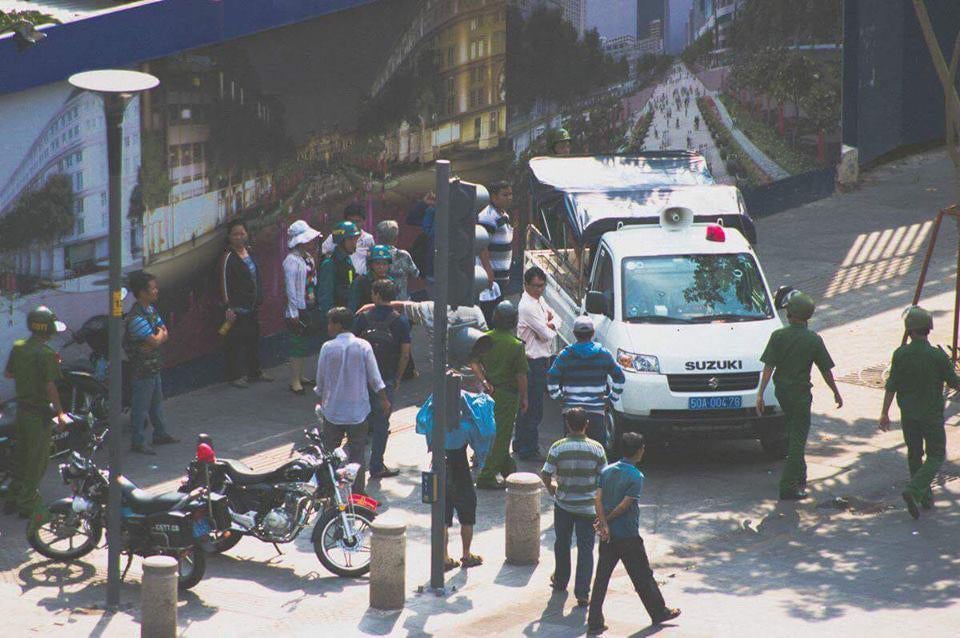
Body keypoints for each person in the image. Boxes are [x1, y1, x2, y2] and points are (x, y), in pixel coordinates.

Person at [588, 433, 680, 634]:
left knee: (602, 577)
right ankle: (658, 611)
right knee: (643, 576)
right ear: (639, 450)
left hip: (608, 536)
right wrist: (607, 521)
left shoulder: (606, 471)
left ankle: (594, 619)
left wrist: (602, 523)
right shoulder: (636, 476)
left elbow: (597, 499)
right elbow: (624, 506)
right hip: (628, 535)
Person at [757, 291, 843, 500]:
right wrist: (835, 392)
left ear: (791, 314)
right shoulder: (813, 340)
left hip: (782, 392)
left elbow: (769, 366)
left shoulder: (778, 336)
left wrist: (760, 393)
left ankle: (801, 475)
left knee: (794, 432)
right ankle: (788, 486)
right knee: (797, 439)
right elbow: (826, 371)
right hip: (801, 394)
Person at [880, 306, 960, 518]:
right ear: (929, 329)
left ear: (909, 330)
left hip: (908, 415)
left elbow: (891, 386)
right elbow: (955, 382)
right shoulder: (937, 356)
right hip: (931, 415)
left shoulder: (900, 354)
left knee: (914, 454)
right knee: (936, 454)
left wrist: (884, 413)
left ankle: (924, 497)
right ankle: (915, 490)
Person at [315, 306, 390, 494]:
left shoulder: (327, 347)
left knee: (329, 454)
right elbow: (375, 378)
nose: (328, 326)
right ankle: (358, 493)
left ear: (338, 325)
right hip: (358, 410)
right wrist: (384, 400)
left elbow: (321, 380)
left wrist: (321, 400)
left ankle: (328, 491)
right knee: (357, 455)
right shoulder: (363, 346)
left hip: (333, 411)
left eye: (330, 322)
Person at [3, 307, 67, 518]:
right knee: (38, 461)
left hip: (20, 411)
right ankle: (27, 502)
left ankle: (14, 495)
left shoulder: (19, 347)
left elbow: (9, 373)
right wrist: (60, 412)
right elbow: (50, 386)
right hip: (38, 415)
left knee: (21, 458)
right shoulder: (46, 354)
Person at [540, 408, 607, 607]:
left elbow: (546, 474)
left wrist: (552, 489)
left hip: (564, 505)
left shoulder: (558, 447)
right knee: (586, 549)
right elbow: (605, 478)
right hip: (588, 508)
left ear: (568, 425)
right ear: (587, 424)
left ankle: (561, 580)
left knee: (562, 543)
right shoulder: (597, 449)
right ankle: (583, 592)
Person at [353, 279, 411, 480]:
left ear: (376, 295)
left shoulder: (362, 318)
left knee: (359, 424)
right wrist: (397, 378)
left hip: (362, 380)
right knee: (381, 425)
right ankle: (377, 465)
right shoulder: (401, 321)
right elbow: (405, 353)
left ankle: (355, 467)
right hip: (385, 380)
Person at [469, 301, 529, 489]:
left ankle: (507, 468)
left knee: (495, 432)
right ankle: (487, 476)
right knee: (502, 436)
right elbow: (521, 376)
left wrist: (484, 381)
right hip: (508, 396)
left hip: (488, 392)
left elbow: (474, 362)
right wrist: (525, 397)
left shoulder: (484, 338)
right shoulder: (516, 345)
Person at [547, 317, 625, 449]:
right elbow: (620, 378)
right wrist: (611, 399)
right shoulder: (604, 354)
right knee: (596, 450)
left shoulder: (565, 355)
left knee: (570, 449)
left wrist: (560, 397)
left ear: (574, 333)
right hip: (596, 413)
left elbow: (551, 378)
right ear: (593, 333)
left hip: (571, 414)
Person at [125, 271, 179, 455]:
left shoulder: (150, 311)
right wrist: (158, 337)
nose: (157, 291)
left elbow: (163, 332)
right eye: (153, 288)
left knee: (156, 403)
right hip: (142, 370)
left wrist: (157, 337)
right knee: (140, 407)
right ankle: (138, 441)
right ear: (142, 293)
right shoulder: (136, 317)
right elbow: (156, 339)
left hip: (153, 366)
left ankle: (160, 434)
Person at [218, 220, 271, 388]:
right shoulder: (228, 257)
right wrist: (228, 307)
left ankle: (254, 372)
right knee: (235, 342)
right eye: (235, 234)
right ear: (229, 237)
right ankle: (235, 375)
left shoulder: (249, 253)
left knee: (253, 339)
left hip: (252, 306)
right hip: (237, 308)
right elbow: (224, 283)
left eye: (242, 233)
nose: (239, 237)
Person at [516, 266, 561, 461]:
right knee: (532, 407)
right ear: (526, 285)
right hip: (532, 361)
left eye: (542, 286)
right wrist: (549, 327)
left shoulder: (539, 300)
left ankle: (520, 443)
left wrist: (550, 324)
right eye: (535, 286)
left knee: (529, 405)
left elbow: (556, 319)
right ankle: (528, 448)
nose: (539, 289)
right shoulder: (527, 306)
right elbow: (546, 334)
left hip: (541, 359)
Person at [283, 219, 323, 395]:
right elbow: (291, 290)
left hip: (309, 304)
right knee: (296, 344)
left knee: (304, 342)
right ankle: (294, 380)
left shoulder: (307, 258)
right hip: (298, 308)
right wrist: (294, 312)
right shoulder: (291, 261)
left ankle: (300, 375)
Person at [477, 181, 515, 325]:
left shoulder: (503, 214)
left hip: (502, 274)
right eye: (505, 195)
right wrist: (488, 271)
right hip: (492, 276)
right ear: (493, 197)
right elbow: (482, 245)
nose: (509, 198)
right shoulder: (488, 216)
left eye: (510, 194)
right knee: (492, 314)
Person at [318, 220, 359, 318]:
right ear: (341, 240)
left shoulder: (347, 261)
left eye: (355, 239)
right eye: (350, 239)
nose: (354, 243)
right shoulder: (329, 265)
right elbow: (325, 299)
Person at [321, 203, 375, 275]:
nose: (354, 224)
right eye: (351, 221)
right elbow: (323, 254)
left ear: (364, 222)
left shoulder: (368, 238)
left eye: (357, 221)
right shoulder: (336, 236)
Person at [376, 219, 420, 301]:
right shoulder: (404, 255)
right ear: (396, 238)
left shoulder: (374, 255)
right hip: (402, 302)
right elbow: (415, 274)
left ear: (379, 238)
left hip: (380, 302)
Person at [348, 244, 393, 311]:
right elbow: (352, 307)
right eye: (378, 264)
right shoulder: (360, 282)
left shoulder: (390, 282)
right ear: (371, 265)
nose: (381, 267)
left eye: (384, 264)